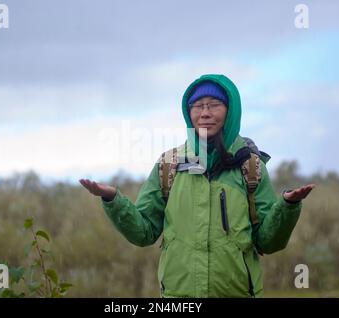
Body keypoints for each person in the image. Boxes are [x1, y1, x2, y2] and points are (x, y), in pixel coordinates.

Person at [80, 74, 315, 297]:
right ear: (187, 112)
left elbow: (268, 241)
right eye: (197, 106)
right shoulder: (169, 165)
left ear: (230, 110)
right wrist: (113, 200)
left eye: (214, 105)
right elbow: (144, 232)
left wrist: (287, 206)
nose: (205, 113)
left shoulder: (250, 166)